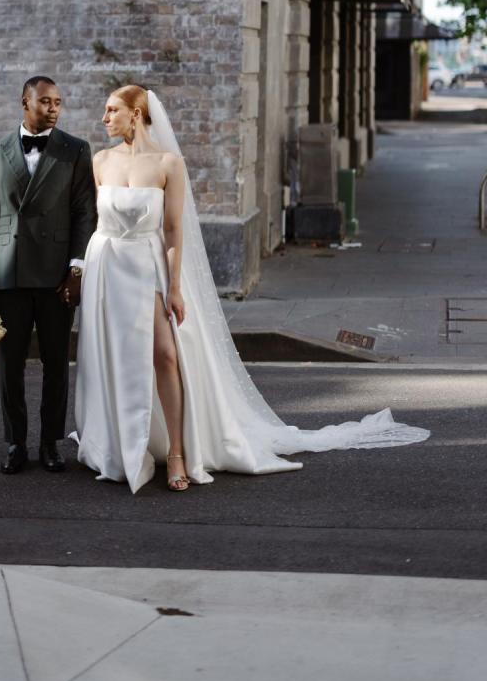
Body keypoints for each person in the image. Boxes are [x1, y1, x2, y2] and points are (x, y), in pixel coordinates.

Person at [72, 85, 429, 493]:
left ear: (136, 114)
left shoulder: (168, 163)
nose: (104, 118)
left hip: (146, 266)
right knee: (113, 356)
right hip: (108, 266)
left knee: (166, 356)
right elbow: (91, 220)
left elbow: (172, 230)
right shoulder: (100, 161)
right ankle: (122, 444)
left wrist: (174, 287)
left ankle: (176, 451)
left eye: (112, 110)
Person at [0, 76, 96, 474]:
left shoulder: (75, 150)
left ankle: (51, 443)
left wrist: (77, 268)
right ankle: (14, 443)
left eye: (58, 102)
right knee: (10, 364)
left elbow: (84, 213)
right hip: (9, 273)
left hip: (58, 274)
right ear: (25, 103)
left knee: (57, 362)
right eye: (45, 101)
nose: (54, 108)